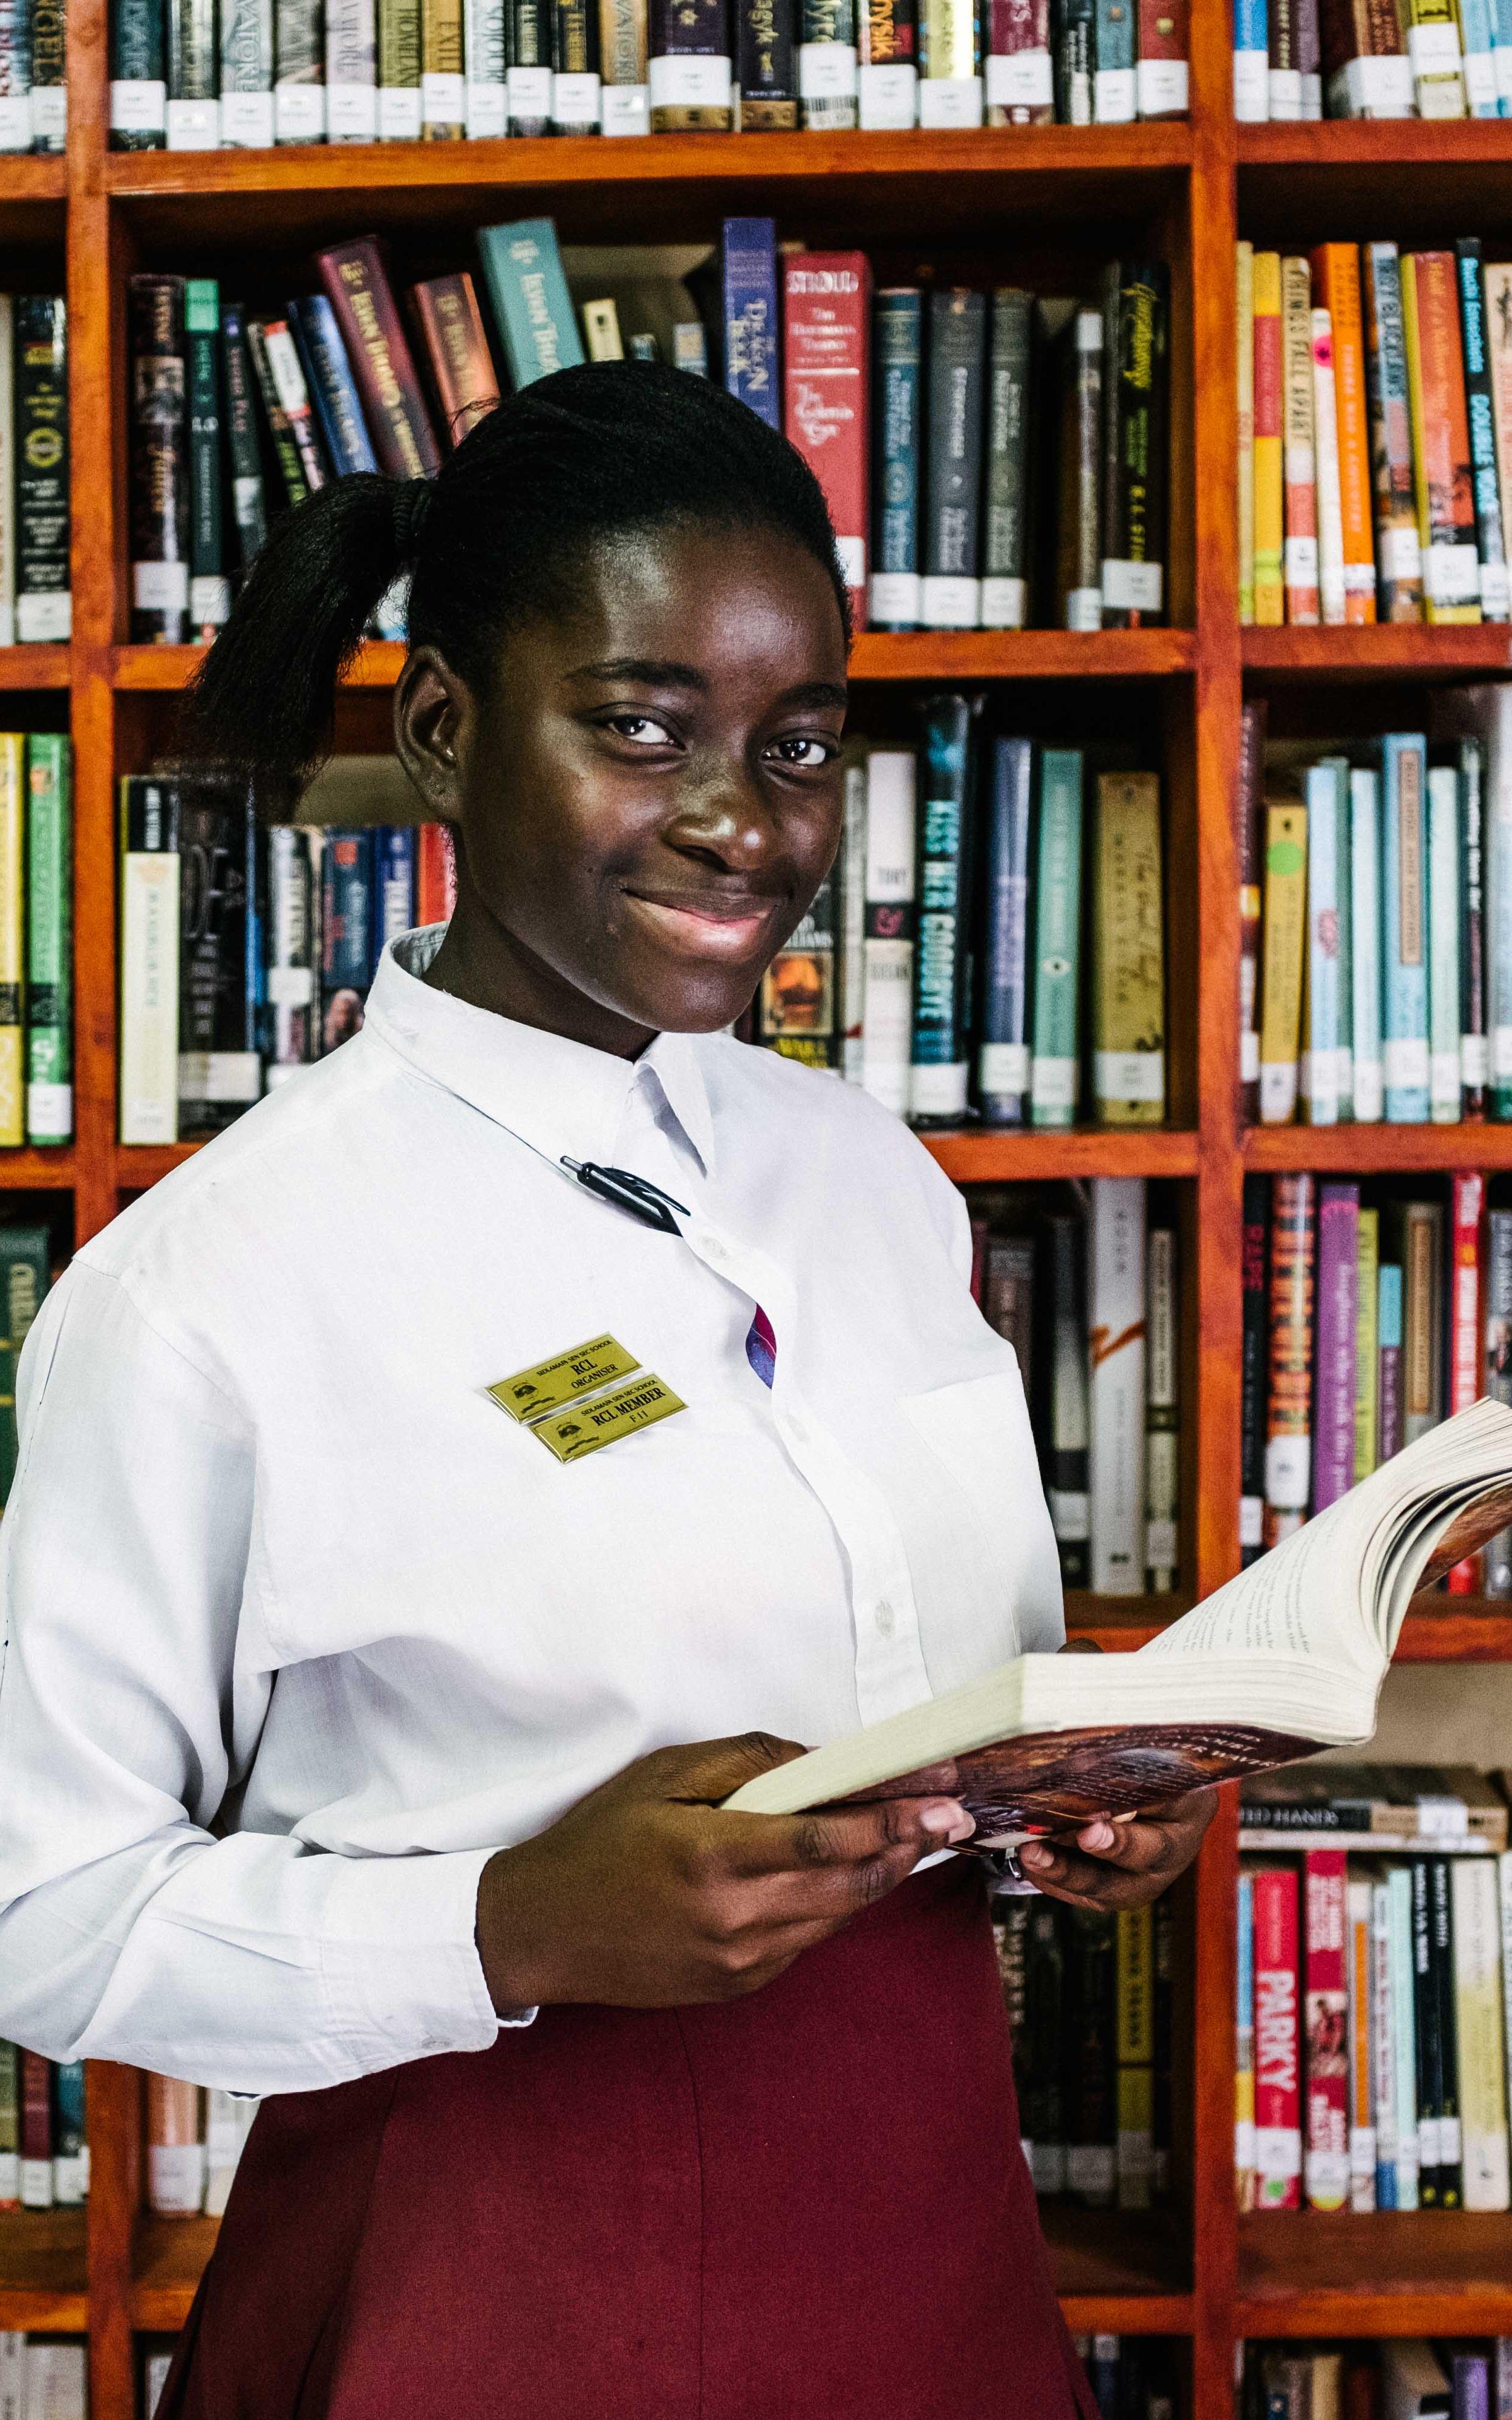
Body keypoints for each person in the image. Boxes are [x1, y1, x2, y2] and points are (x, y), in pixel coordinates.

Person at [0, 363, 1211, 2418]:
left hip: (921, 2222)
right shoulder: (214, 1288)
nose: (745, 818)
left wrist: (1064, 1812)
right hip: (489, 2256)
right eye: (643, 728)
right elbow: (42, 1911)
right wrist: (504, 1927)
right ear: (449, 732)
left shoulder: (867, 1182)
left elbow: (936, 1688)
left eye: (798, 742)